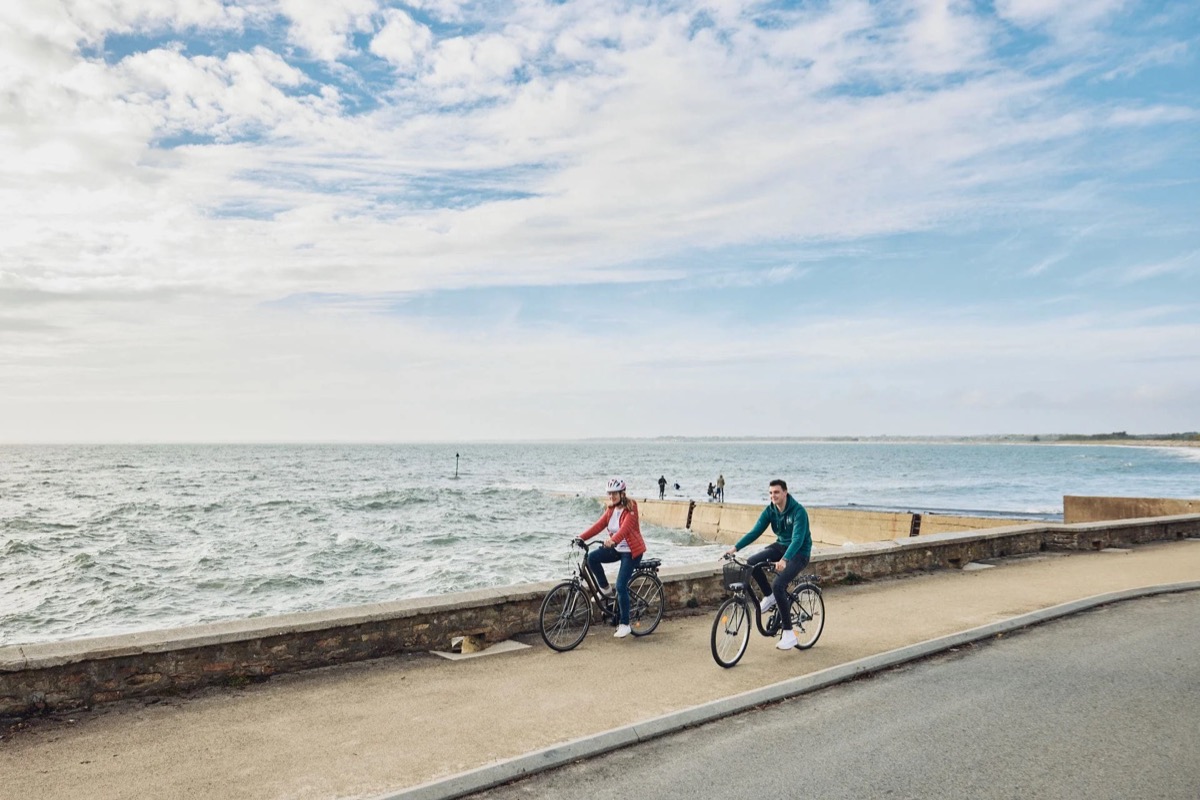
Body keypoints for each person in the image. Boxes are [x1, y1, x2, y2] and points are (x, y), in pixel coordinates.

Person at [726, 479, 812, 650]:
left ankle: (788, 634)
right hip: (781, 546)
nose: (773, 496)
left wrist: (784, 560)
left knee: (779, 584)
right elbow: (755, 532)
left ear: (785, 492)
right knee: (751, 563)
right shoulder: (770, 510)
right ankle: (769, 596)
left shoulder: (798, 511)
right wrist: (734, 548)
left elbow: (797, 540)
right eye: (771, 493)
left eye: (777, 492)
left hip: (799, 552)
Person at [576, 477, 647, 638]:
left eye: (615, 493)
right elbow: (598, 526)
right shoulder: (611, 510)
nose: (612, 496)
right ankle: (605, 589)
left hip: (631, 552)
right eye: (610, 494)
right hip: (617, 550)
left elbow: (625, 529)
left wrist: (613, 540)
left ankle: (625, 624)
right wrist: (581, 537)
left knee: (621, 586)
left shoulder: (631, 508)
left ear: (622, 493)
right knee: (592, 558)